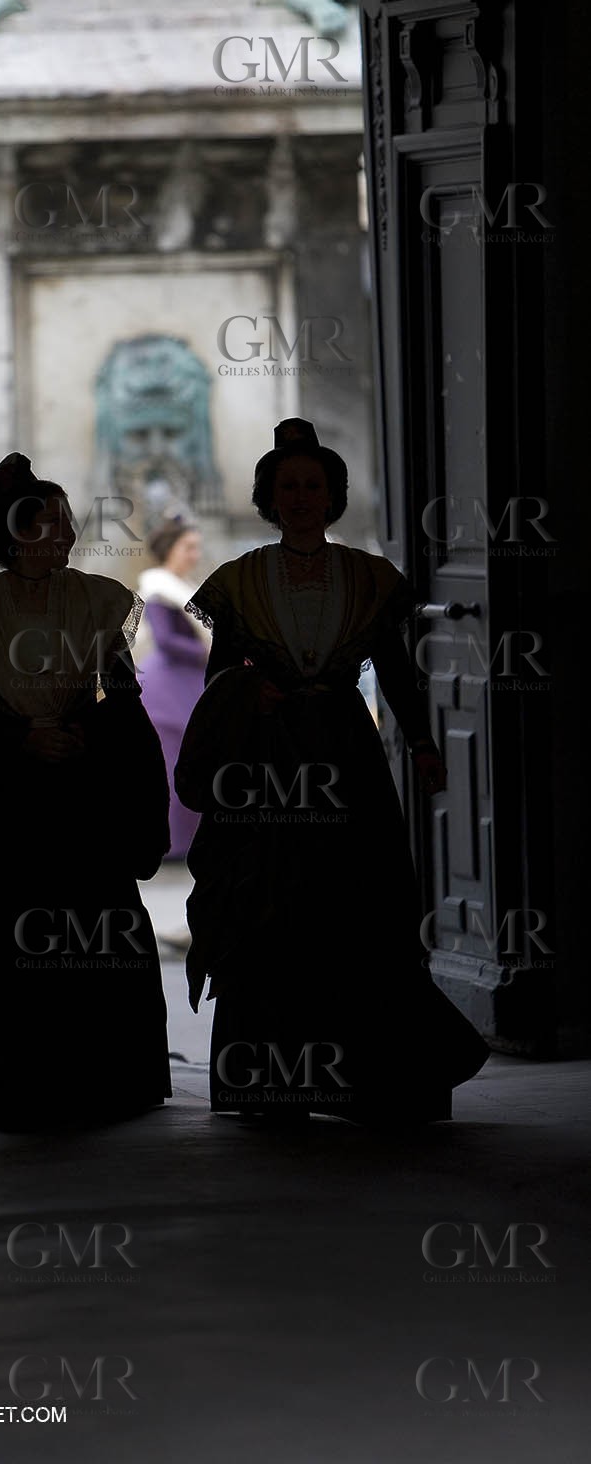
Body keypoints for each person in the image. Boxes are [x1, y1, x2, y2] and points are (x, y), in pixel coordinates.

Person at [175, 419, 489, 1124]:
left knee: (361, 901)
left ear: (331, 494)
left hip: (346, 751)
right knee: (272, 904)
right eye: (287, 485)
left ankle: (374, 1082)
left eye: (312, 485)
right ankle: (272, 1084)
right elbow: (219, 672)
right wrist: (245, 690)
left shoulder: (367, 577)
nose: (300, 497)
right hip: (270, 755)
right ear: (268, 495)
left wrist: (422, 745)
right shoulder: (240, 580)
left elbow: (398, 674)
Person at [0, 452, 172, 1130]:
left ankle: (109, 1075)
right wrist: (22, 739)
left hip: (82, 788)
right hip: (12, 792)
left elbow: (122, 696)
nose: (65, 534)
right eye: (51, 523)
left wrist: (84, 735)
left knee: (97, 925)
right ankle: (21, 1077)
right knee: (17, 933)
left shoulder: (95, 598)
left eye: (66, 522)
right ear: (15, 533)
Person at [137, 518, 211, 860]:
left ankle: (195, 839)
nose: (195, 554)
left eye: (196, 547)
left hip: (190, 681)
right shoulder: (159, 589)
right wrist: (211, 652)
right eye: (189, 547)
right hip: (168, 685)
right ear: (171, 550)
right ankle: (172, 842)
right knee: (174, 764)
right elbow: (166, 642)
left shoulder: (184, 586)